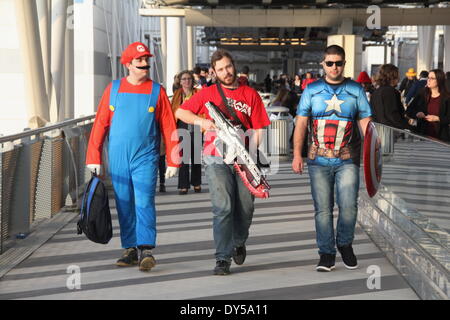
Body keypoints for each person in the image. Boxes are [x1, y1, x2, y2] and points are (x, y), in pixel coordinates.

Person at [86, 42, 180, 272]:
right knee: (124, 202)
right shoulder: (113, 89)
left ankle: (146, 248)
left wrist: (173, 159)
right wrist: (93, 156)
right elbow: (100, 123)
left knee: (145, 200)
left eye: (146, 59)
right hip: (118, 157)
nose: (144, 64)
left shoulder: (157, 91)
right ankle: (129, 248)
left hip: (145, 157)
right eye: (139, 60)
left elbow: (169, 127)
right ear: (128, 64)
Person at [175, 49, 270, 275]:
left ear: (233, 65)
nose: (226, 72)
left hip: (245, 157)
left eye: (228, 66)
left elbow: (259, 129)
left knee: (246, 208)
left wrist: (249, 154)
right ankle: (222, 258)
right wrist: (201, 122)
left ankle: (238, 241)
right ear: (214, 73)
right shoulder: (207, 93)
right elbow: (180, 112)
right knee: (223, 207)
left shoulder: (250, 94)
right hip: (215, 156)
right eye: (220, 69)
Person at [292, 45, 372, 272]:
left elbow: (366, 123)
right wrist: (297, 154)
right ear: (323, 64)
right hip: (318, 160)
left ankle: (345, 244)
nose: (334, 67)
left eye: (338, 63)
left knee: (348, 206)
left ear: (344, 64)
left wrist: (374, 154)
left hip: (348, 158)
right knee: (323, 209)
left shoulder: (356, 90)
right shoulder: (312, 90)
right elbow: (301, 123)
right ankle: (326, 253)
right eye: (330, 63)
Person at [171, 70, 202, 194]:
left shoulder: (198, 93)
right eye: (184, 79)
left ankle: (196, 183)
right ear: (180, 81)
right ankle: (183, 185)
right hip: (182, 125)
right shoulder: (177, 94)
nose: (186, 81)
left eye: (189, 78)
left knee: (196, 157)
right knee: (183, 156)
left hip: (196, 123)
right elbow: (173, 110)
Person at [407, 69, 450, 141]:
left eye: (432, 78)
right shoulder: (422, 94)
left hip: (441, 138)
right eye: (428, 77)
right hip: (423, 136)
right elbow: (409, 110)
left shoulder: (447, 97)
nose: (429, 80)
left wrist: (438, 118)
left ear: (439, 80)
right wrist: (417, 114)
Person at [370, 64, 411, 129]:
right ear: (392, 77)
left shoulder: (375, 92)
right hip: (392, 132)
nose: (399, 78)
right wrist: (409, 126)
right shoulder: (391, 92)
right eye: (397, 76)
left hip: (378, 131)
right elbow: (393, 115)